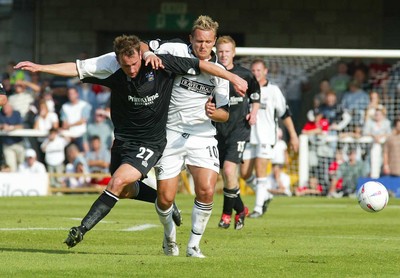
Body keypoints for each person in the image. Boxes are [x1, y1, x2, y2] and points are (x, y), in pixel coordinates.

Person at [15, 34, 247, 250]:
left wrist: (232, 76)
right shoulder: (111, 65)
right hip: (123, 140)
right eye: (126, 66)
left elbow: (200, 65)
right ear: (117, 60)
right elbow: (76, 68)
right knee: (125, 190)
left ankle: (81, 229)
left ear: (140, 55)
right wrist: (40, 67)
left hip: (152, 141)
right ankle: (161, 200)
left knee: (116, 182)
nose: (132, 70)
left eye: (135, 63)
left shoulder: (158, 62)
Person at [144, 15, 247, 258]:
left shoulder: (219, 72)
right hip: (171, 133)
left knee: (207, 191)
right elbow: (142, 46)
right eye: (199, 40)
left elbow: (224, 113)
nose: (203, 46)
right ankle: (169, 237)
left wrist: (215, 112)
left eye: (208, 42)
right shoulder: (175, 49)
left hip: (203, 136)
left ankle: (193, 245)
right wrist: (149, 54)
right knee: (165, 198)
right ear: (191, 38)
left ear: (214, 42)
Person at [240, 58, 299, 219]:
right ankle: (266, 194)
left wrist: (293, 135)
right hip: (248, 136)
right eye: (253, 70)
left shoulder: (273, 90)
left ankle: (258, 208)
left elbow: (284, 114)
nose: (256, 73)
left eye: (259, 70)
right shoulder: (245, 88)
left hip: (266, 137)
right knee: (244, 173)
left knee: (260, 171)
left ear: (265, 71)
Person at [214, 35, 260, 230]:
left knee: (229, 170)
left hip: (239, 129)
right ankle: (240, 209)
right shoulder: (212, 71)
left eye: (227, 51)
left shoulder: (245, 74)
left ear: (234, 53)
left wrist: (254, 112)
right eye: (221, 51)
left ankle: (226, 214)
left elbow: (256, 95)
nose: (224, 55)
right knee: (226, 176)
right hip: (217, 129)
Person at [60, 86, 92, 151]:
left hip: (82, 134)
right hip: (69, 135)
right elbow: (64, 123)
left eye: (72, 93)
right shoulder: (64, 107)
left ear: (77, 94)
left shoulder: (84, 105)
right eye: (69, 94)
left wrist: (69, 125)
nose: (70, 95)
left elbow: (83, 120)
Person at [0, 102, 25, 172]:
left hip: (18, 143)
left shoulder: (16, 114)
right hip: (7, 145)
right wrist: (2, 126)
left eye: (7, 107)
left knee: (22, 164)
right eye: (4, 107)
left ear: (11, 107)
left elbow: (22, 126)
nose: (5, 109)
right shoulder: (0, 114)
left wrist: (12, 127)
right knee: (11, 166)